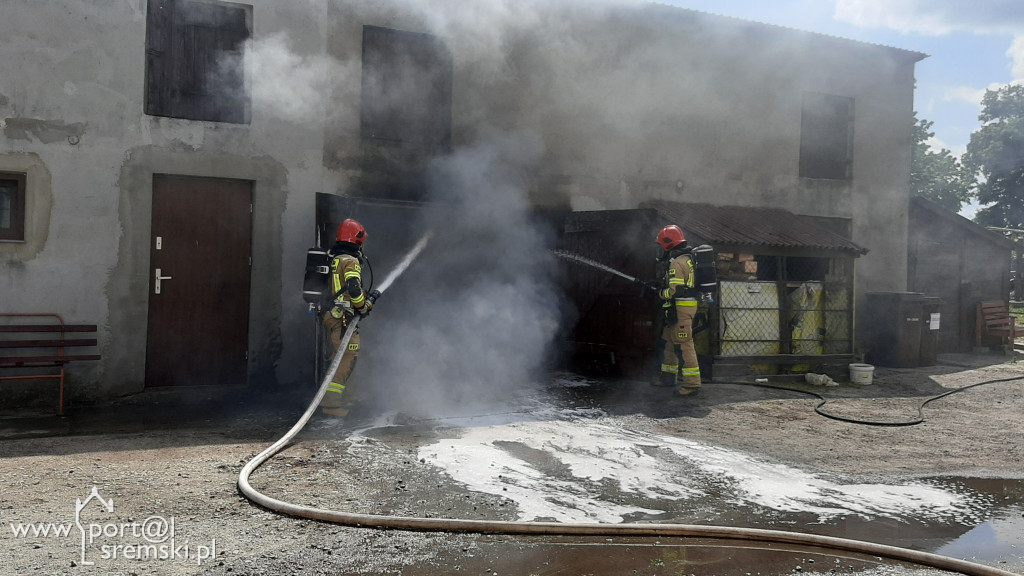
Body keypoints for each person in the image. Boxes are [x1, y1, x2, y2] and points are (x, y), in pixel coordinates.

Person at [319, 218, 372, 417]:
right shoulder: (350, 261)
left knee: (341, 357)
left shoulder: (335, 258)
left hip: (333, 315)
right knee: (346, 358)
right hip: (342, 318)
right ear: (357, 240)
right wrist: (362, 305)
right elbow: (353, 287)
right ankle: (331, 405)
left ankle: (341, 399)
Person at [654, 224, 701, 395]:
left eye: (661, 245)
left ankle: (692, 384)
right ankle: (668, 378)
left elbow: (675, 291)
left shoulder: (677, 264)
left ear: (668, 243)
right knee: (668, 343)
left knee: (684, 345)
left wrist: (659, 293)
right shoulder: (688, 259)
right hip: (679, 309)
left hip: (681, 309)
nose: (660, 250)